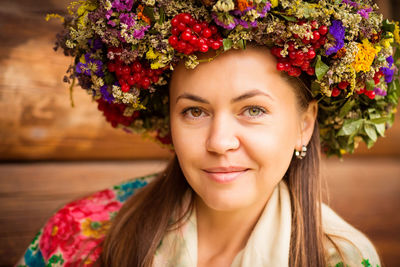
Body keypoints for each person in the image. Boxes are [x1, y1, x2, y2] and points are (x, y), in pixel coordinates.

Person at [17, 0, 399, 266]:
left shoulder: (342, 259)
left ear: (304, 124)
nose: (218, 142)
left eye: (253, 110)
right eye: (194, 111)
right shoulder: (79, 236)